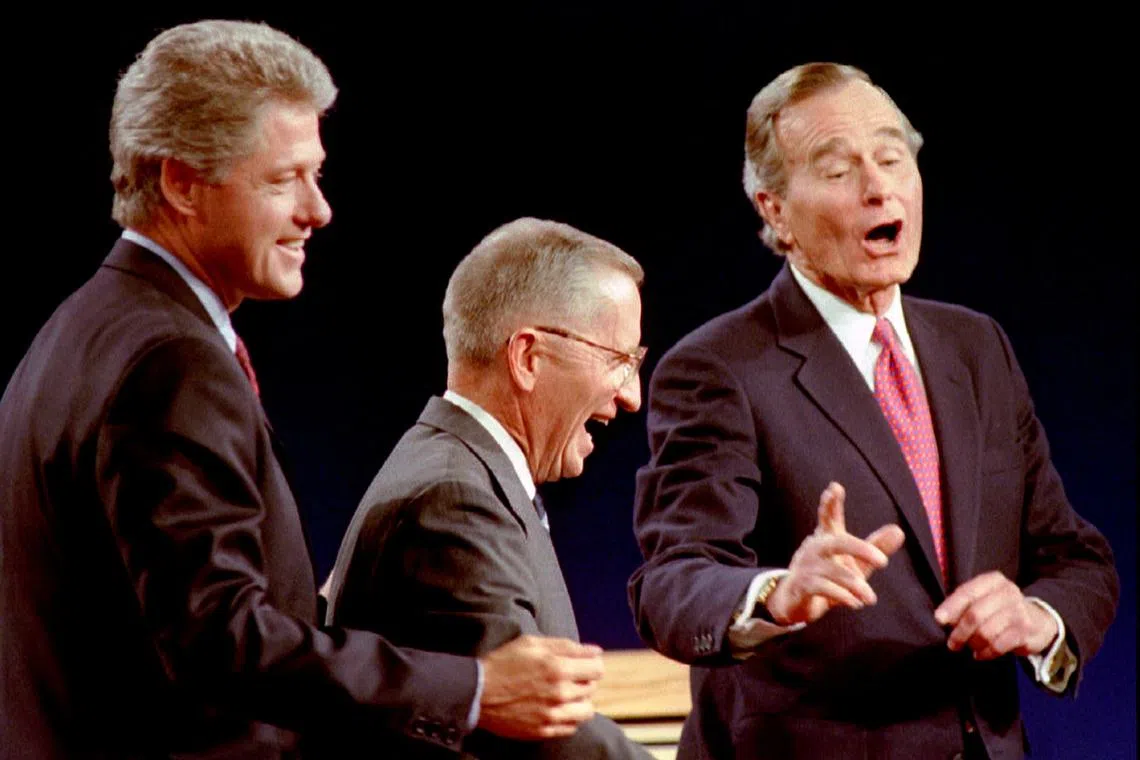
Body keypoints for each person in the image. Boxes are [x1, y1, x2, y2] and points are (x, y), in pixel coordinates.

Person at [0, 21, 603, 759]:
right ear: (181, 183)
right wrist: (473, 688)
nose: (318, 210)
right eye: (284, 179)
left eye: (316, 175)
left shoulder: (82, 328)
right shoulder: (169, 361)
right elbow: (217, 637)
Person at [627, 62, 1119, 760]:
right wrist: (776, 593)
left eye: (893, 157)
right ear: (773, 209)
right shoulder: (720, 367)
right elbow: (673, 580)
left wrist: (1036, 617)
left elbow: (1076, 559)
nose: (878, 186)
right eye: (837, 170)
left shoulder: (976, 347)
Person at [323, 217, 654, 759]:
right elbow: (539, 731)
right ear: (528, 357)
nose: (632, 396)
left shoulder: (463, 472)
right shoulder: (454, 501)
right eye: (620, 360)